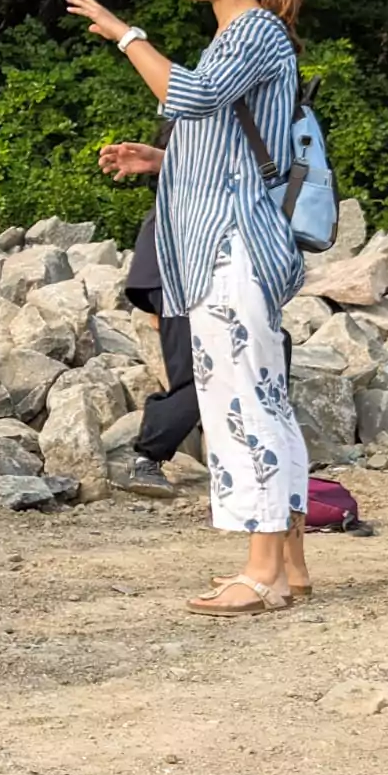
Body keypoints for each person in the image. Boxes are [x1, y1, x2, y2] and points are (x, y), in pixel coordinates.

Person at [69, 0, 311, 616]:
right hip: (223, 244)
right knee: (260, 397)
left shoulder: (254, 31)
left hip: (233, 248)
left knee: (243, 402)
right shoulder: (241, 36)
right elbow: (218, 134)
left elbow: (196, 93)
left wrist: (123, 32)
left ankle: (260, 570)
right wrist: (159, 158)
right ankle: (289, 564)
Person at [105, 128, 295, 509]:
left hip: (195, 280)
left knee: (268, 349)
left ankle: (249, 457)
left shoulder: (203, 191)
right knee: (202, 374)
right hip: (181, 281)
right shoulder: (191, 193)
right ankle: (148, 456)